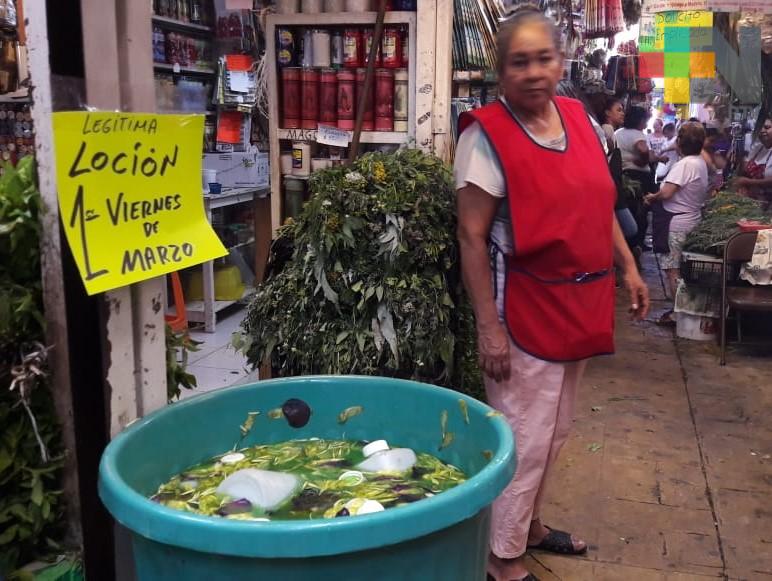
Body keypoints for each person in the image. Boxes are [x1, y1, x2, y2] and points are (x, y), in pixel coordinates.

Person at [454, 7, 650, 581]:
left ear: (561, 62)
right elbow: (470, 237)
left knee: (557, 429)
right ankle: (502, 556)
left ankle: (528, 527)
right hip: (524, 307)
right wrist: (488, 327)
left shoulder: (577, 118)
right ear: (501, 70)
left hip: (580, 302)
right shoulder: (484, 138)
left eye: (544, 58)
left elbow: (599, 204)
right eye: (520, 61)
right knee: (524, 435)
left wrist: (631, 268)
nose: (535, 72)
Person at [644, 122, 709, 320]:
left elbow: (667, 192)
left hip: (678, 224)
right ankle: (683, 310)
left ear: (680, 142)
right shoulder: (699, 161)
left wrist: (652, 197)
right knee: (680, 268)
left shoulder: (685, 164)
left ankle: (678, 314)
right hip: (691, 218)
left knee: (673, 270)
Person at [616, 106, 668, 252]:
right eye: (645, 119)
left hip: (623, 175)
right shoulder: (638, 134)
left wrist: (657, 158)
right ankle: (638, 243)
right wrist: (643, 160)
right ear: (639, 120)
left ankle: (627, 242)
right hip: (639, 178)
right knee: (642, 209)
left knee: (627, 208)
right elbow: (644, 150)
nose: (647, 122)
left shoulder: (618, 133)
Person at [732, 117, 772, 206]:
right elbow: (745, 171)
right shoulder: (757, 148)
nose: (762, 131)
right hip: (752, 203)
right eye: (759, 128)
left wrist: (748, 182)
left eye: (767, 127)